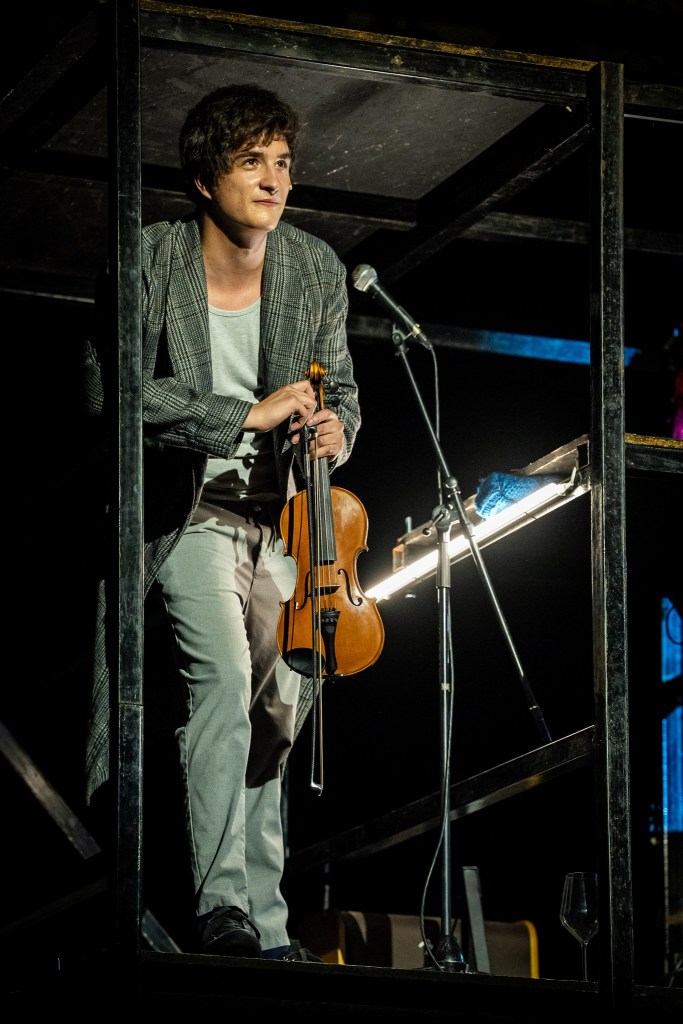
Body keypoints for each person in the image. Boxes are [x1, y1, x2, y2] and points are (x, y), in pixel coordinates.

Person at [80, 83, 361, 961]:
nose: (275, 179)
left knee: (280, 709)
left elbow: (345, 390)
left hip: (286, 522)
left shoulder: (313, 266)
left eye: (282, 162)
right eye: (251, 162)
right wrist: (244, 414)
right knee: (225, 684)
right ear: (205, 179)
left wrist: (336, 430)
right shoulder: (148, 259)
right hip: (188, 511)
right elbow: (112, 393)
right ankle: (222, 910)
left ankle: (267, 928)